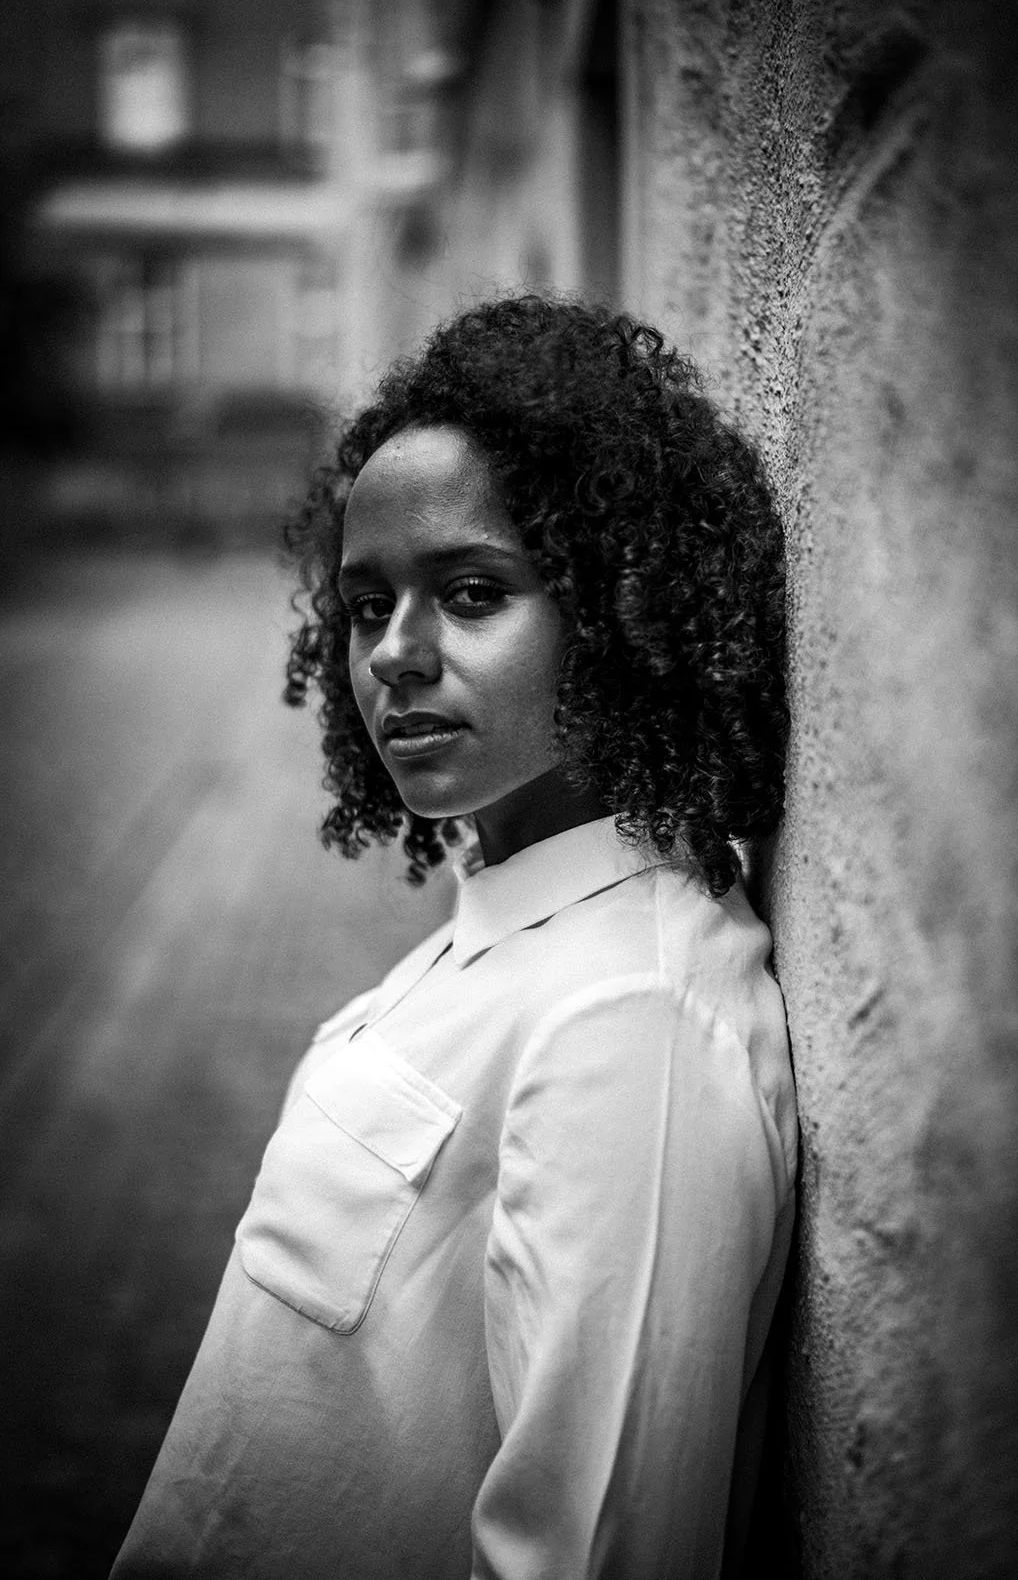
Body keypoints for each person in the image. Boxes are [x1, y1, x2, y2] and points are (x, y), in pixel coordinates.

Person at [111, 294, 798, 1579]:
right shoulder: (515, 914)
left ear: (625, 606)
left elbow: (592, 1548)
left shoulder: (630, 1018)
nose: (395, 655)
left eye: (473, 593)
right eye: (367, 605)